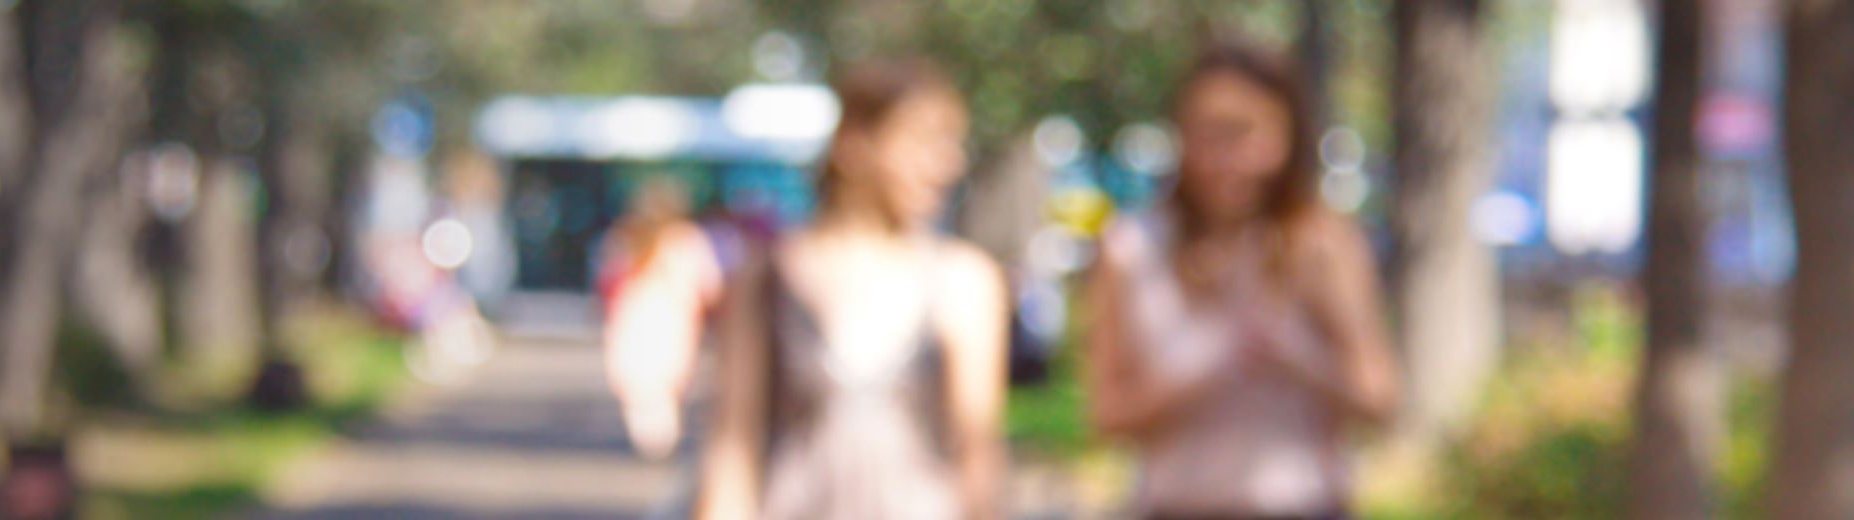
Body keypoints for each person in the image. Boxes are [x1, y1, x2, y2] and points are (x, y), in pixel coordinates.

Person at [1083, 43, 1401, 519]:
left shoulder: (1321, 244)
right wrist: (1206, 364)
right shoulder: (1135, 246)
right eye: (1207, 133)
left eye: (1243, 132)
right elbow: (1106, 415)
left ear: (1287, 135)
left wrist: (1296, 355)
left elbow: (1380, 400)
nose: (1225, 158)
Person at [697, 56, 1009, 520]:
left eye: (952, 144)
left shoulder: (964, 280)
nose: (947, 165)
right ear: (855, 143)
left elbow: (977, 452)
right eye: (925, 141)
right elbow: (734, 446)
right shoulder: (768, 278)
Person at [599, 175, 720, 461]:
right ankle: (657, 439)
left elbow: (606, 281)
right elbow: (708, 285)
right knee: (660, 387)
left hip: (638, 323)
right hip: (670, 325)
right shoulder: (686, 241)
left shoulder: (629, 237)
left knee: (645, 387)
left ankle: (653, 438)